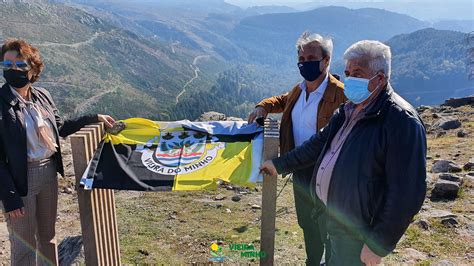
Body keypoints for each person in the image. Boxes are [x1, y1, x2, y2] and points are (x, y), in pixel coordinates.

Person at [261, 40, 427, 265]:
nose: (349, 79)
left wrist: (378, 244)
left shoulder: (400, 121)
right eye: (348, 72)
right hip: (332, 219)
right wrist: (280, 164)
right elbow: (317, 144)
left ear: (380, 78)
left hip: (359, 231)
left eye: (358, 73)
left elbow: (407, 193)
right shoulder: (348, 111)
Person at [0, 38, 115, 266]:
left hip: (48, 174)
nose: (14, 70)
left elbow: (60, 127)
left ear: (33, 69)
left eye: (20, 65)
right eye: (7, 66)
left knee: (48, 238)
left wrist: (93, 118)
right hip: (19, 180)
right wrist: (9, 197)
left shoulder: (42, 96)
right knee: (24, 243)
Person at [248, 31, 346, 265]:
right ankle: (313, 261)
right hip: (299, 168)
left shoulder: (341, 93)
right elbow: (282, 100)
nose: (304, 63)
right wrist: (262, 106)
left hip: (327, 172)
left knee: (328, 225)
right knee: (307, 222)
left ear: (326, 60)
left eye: (311, 57)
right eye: (301, 59)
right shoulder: (299, 90)